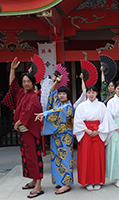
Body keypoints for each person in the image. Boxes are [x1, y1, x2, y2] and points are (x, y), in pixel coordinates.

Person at [4, 57, 44, 198]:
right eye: (24, 81)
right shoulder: (23, 93)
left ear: (33, 83)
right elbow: (13, 87)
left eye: (28, 81)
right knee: (27, 157)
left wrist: (17, 123)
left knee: (34, 157)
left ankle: (38, 185)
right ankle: (33, 180)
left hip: (30, 132)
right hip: (23, 132)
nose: (26, 84)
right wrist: (13, 70)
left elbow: (28, 113)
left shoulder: (33, 97)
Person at [73, 85, 117, 191]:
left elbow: (106, 120)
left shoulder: (102, 106)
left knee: (98, 157)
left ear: (97, 93)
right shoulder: (81, 106)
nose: (91, 94)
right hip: (85, 133)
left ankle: (97, 180)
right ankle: (87, 181)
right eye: (89, 92)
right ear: (86, 94)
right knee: (86, 157)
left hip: (98, 131)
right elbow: (78, 120)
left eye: (93, 92)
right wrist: (86, 130)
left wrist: (98, 130)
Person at [35, 75, 74, 195]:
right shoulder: (57, 103)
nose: (61, 95)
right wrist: (55, 82)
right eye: (60, 94)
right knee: (56, 159)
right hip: (56, 136)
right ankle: (59, 180)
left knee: (65, 159)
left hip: (65, 137)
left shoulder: (68, 106)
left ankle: (66, 183)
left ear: (68, 96)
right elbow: (51, 95)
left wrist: (44, 114)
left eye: (64, 94)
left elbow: (55, 112)